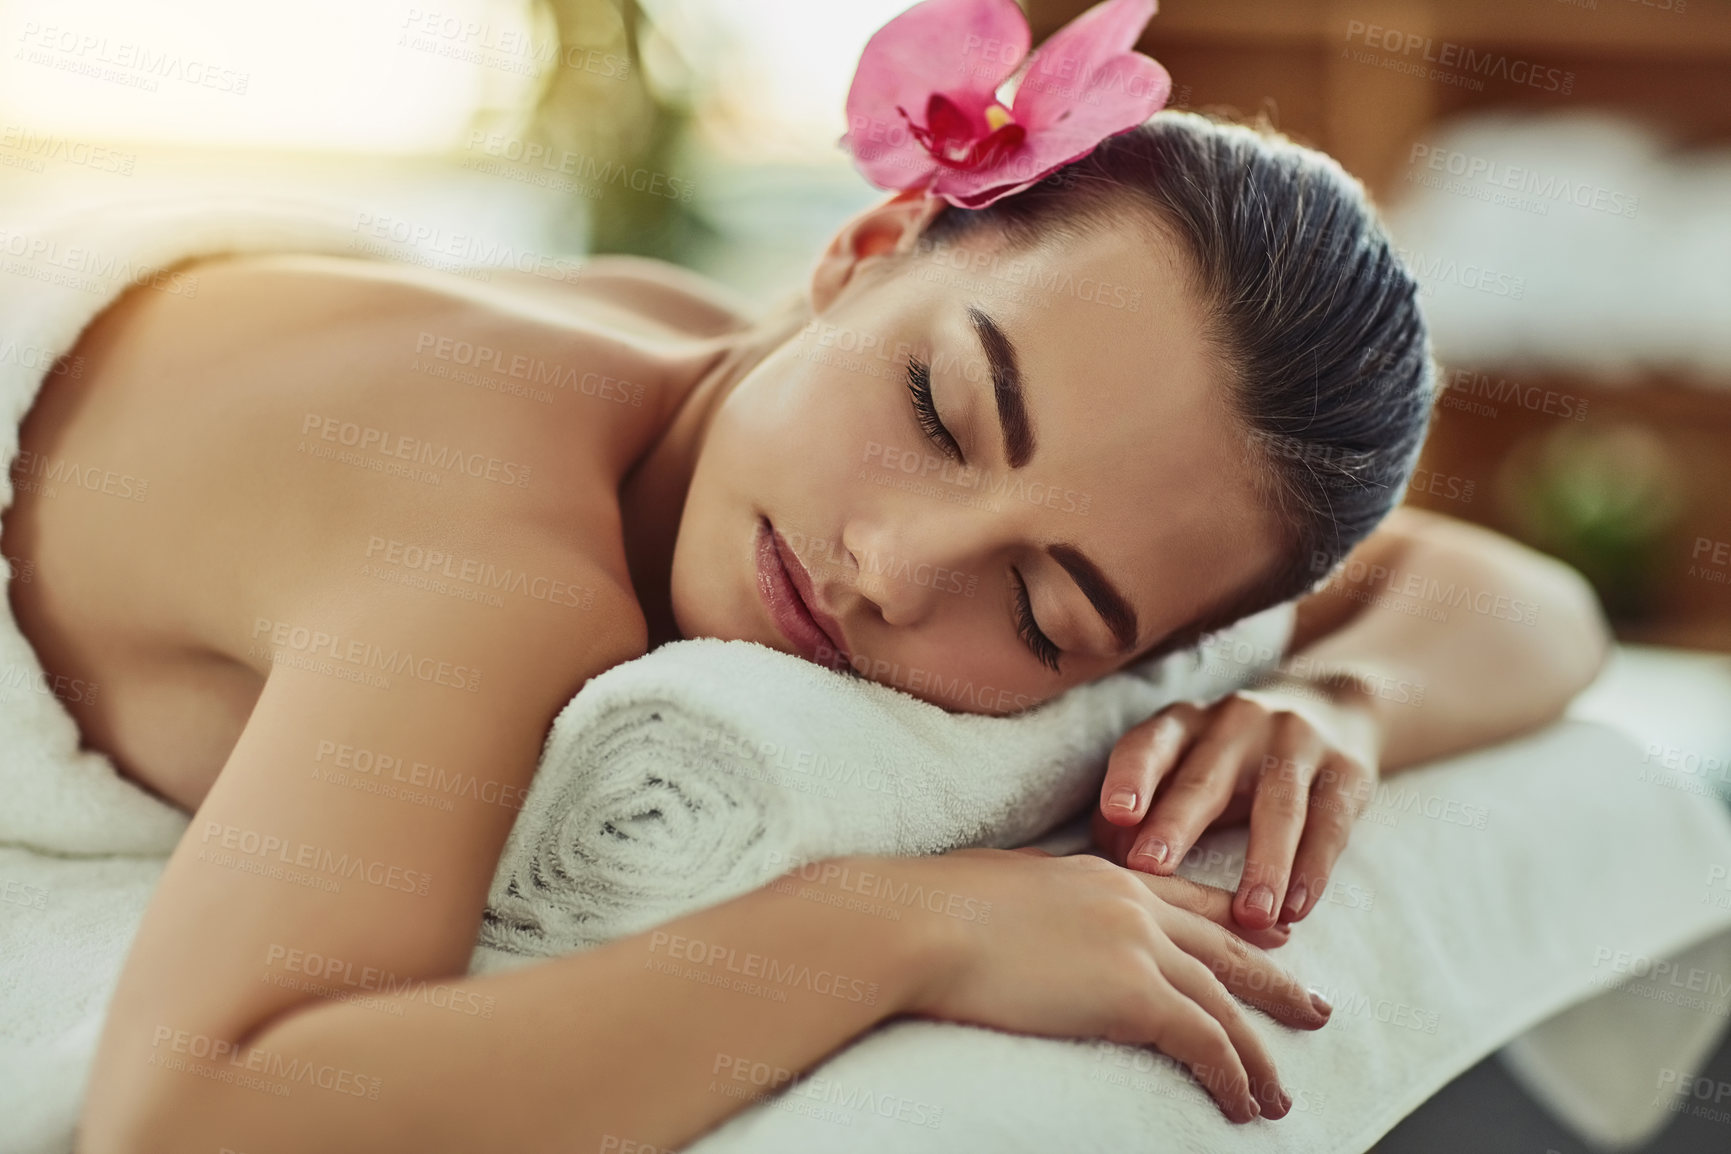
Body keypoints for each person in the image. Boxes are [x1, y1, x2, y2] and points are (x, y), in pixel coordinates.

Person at [10, 105, 1606, 1152]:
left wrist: (1340, 708)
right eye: (939, 408)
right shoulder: (491, 561)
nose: (896, 567)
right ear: (859, 252)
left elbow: (1531, 600)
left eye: (1048, 612)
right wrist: (905, 927)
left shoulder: (757, 389)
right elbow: (193, 1114)